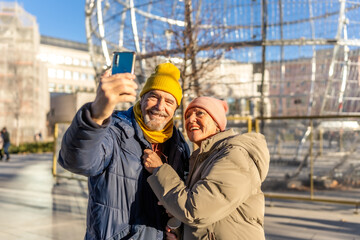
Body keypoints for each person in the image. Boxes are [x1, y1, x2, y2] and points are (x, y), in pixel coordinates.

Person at [58, 63, 190, 240]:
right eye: (153, 96)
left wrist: (177, 230)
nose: (160, 106)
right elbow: (77, 161)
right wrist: (96, 114)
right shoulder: (114, 129)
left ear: (175, 108)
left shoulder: (179, 144)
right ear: (141, 99)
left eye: (169, 101)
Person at [143, 96, 270, 240]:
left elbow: (195, 210)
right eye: (188, 115)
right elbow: (214, 218)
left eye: (199, 113)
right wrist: (183, 233)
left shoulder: (234, 155)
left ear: (217, 123)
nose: (190, 119)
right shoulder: (203, 158)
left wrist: (159, 171)